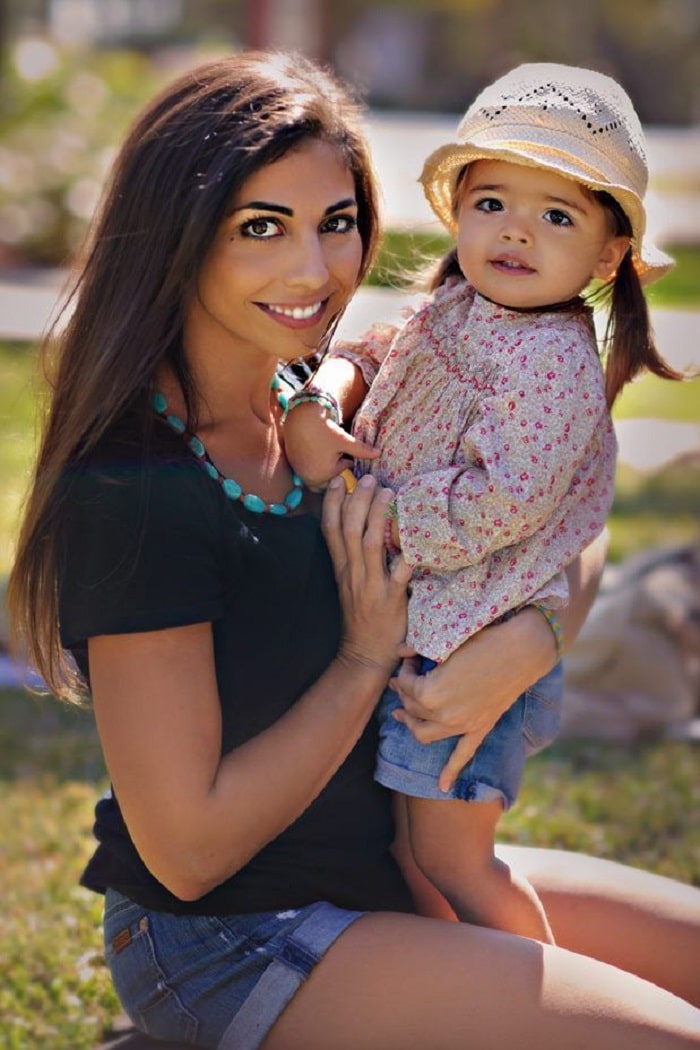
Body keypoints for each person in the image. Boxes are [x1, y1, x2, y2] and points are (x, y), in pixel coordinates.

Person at [6, 50, 700, 1050]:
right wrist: (365, 657)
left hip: (390, 870)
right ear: (175, 240)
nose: (315, 272)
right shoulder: (138, 490)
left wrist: (534, 638)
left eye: (336, 223)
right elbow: (189, 853)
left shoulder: (331, 392)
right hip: (233, 939)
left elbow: (558, 522)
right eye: (260, 229)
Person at [283, 62, 685, 943]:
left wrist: (357, 504)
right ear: (458, 209)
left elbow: (493, 508)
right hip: (434, 630)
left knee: (457, 860)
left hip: (469, 649)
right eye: (493, 201)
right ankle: (464, 981)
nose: (515, 232)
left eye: (557, 216)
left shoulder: (553, 364)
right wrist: (333, 386)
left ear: (609, 255)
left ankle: (538, 988)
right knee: (414, 855)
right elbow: (385, 344)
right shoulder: (464, 303)